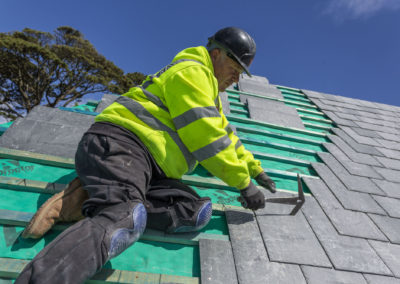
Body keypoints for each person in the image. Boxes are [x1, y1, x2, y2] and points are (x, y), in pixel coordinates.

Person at [15, 26, 276, 284]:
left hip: (151, 169)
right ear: (217, 54)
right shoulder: (192, 72)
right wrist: (244, 184)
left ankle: (92, 194)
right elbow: (206, 137)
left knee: (194, 212)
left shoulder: (210, 93)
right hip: (120, 145)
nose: (237, 78)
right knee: (125, 219)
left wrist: (255, 169)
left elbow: (225, 135)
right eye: (236, 69)